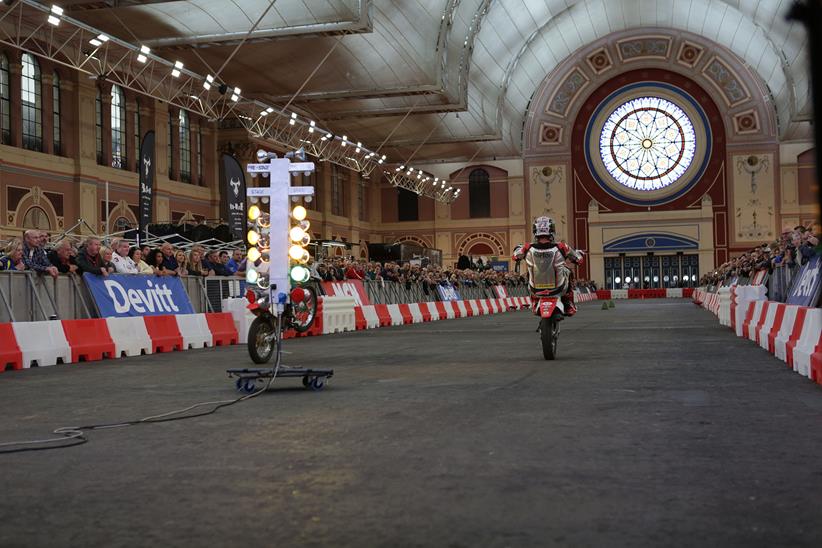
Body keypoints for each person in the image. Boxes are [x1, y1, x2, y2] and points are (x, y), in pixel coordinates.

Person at [512, 216, 584, 316]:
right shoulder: (562, 247)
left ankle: (535, 301)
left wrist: (517, 248)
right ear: (552, 230)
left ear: (535, 230)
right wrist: (578, 255)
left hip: (535, 289)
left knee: (529, 272)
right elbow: (579, 260)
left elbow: (515, 257)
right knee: (568, 271)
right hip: (558, 288)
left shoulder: (527, 247)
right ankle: (568, 303)